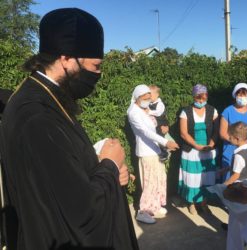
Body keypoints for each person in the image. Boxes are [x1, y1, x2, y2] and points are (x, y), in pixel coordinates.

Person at [0, 8, 139, 250]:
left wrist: (103, 166)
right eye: (95, 66)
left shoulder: (43, 96)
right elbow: (81, 214)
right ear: (65, 59)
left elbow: (57, 172)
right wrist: (110, 165)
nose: (98, 74)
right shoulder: (37, 116)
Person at [127, 84, 179, 224]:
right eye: (145, 98)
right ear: (137, 97)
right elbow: (145, 132)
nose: (148, 101)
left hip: (154, 149)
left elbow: (156, 123)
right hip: (146, 152)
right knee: (149, 183)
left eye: (149, 98)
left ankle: (154, 207)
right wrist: (165, 142)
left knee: (158, 180)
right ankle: (143, 211)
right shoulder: (133, 112)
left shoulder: (145, 109)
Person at [178, 84, 219, 215]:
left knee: (206, 178)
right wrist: (197, 146)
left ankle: (203, 202)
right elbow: (183, 133)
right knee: (192, 178)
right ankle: (191, 203)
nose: (201, 101)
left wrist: (211, 145)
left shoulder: (213, 110)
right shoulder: (185, 112)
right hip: (192, 151)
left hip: (208, 150)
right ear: (194, 97)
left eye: (203, 98)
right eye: (198, 98)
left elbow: (217, 131)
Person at [219, 83, 247, 181]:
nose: (242, 97)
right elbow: (222, 133)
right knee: (230, 178)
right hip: (231, 150)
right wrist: (237, 142)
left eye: (245, 95)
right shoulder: (228, 111)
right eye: (240, 94)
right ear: (235, 95)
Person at [223, 121, 247, 186]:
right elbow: (242, 166)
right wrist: (226, 169)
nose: (229, 139)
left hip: (239, 187)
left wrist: (224, 185)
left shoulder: (239, 155)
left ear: (237, 139)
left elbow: (235, 175)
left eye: (230, 137)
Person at [148, 85, 170, 161]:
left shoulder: (160, 104)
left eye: (151, 94)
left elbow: (158, 113)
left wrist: (149, 112)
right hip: (154, 125)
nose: (149, 96)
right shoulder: (148, 104)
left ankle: (164, 153)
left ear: (157, 95)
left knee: (160, 138)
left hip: (160, 123)